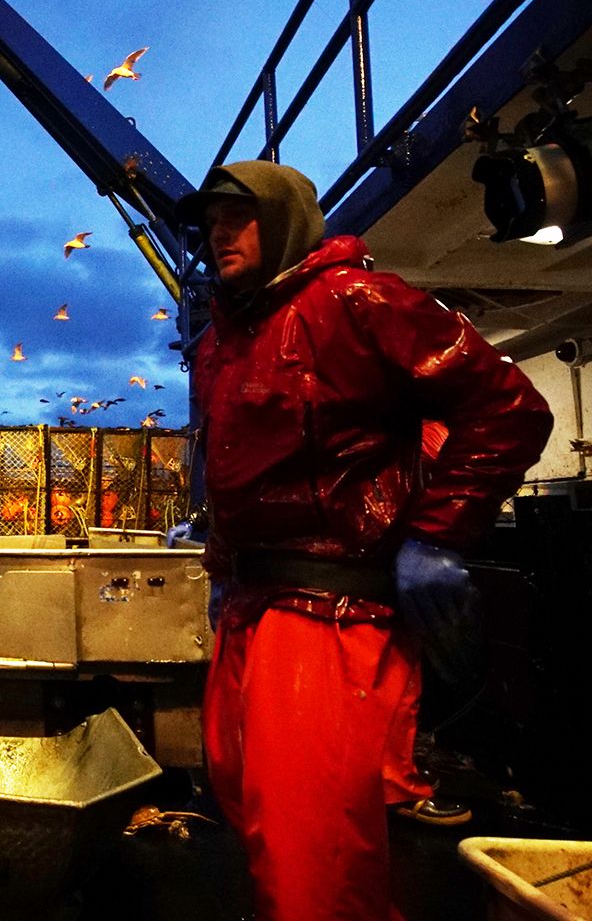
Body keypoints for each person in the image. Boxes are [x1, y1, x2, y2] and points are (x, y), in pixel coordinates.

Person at [183, 160, 551, 920]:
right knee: (245, 804)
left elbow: (508, 408)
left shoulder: (359, 300)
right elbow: (231, 465)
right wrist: (222, 564)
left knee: (309, 853)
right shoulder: (225, 339)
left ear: (283, 220)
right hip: (252, 604)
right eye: (210, 220)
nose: (218, 232)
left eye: (238, 215)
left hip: (329, 612)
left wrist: (437, 537)